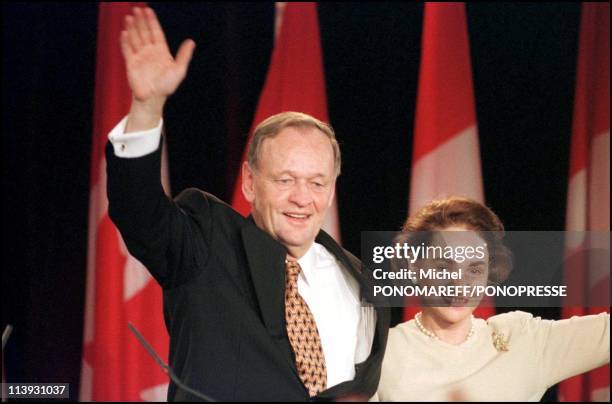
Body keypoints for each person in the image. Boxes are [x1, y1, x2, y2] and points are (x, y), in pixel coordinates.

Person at [106, 6, 389, 402]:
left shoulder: (360, 279)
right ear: (250, 182)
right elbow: (139, 213)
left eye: (316, 182)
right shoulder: (205, 244)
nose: (302, 198)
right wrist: (148, 108)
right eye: (285, 180)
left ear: (332, 188)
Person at [375, 196, 610, 401]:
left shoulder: (523, 339)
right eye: (444, 267)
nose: (459, 284)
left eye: (474, 270)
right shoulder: (381, 354)